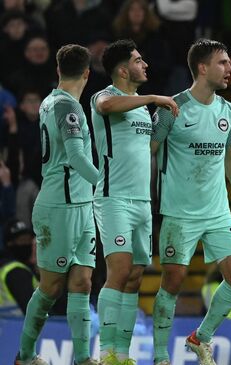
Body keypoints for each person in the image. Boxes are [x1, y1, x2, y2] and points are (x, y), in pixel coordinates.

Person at [150, 39, 231, 365]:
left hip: (218, 211)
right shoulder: (172, 108)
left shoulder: (227, 109)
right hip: (179, 213)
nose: (230, 68)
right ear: (202, 67)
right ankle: (159, 356)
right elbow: (147, 152)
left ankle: (201, 337)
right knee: (173, 281)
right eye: (223, 63)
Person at [91, 39, 178, 365]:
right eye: (139, 61)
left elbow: (149, 150)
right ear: (123, 69)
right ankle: (106, 351)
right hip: (113, 198)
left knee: (136, 275)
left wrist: (162, 123)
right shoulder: (105, 96)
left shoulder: (140, 109)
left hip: (143, 201)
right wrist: (156, 97)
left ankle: (122, 354)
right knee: (120, 269)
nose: (146, 66)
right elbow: (106, 108)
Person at [16, 44, 101, 365]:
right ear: (87, 74)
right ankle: (24, 356)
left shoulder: (51, 102)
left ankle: (81, 358)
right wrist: (105, 184)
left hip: (80, 205)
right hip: (59, 207)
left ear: (58, 70)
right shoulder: (68, 108)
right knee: (50, 287)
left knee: (82, 281)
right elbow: (78, 157)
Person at [0, 219, 37, 317]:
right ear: (10, 244)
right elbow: (34, 312)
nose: (27, 244)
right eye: (22, 240)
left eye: (29, 240)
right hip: (17, 326)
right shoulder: (17, 272)